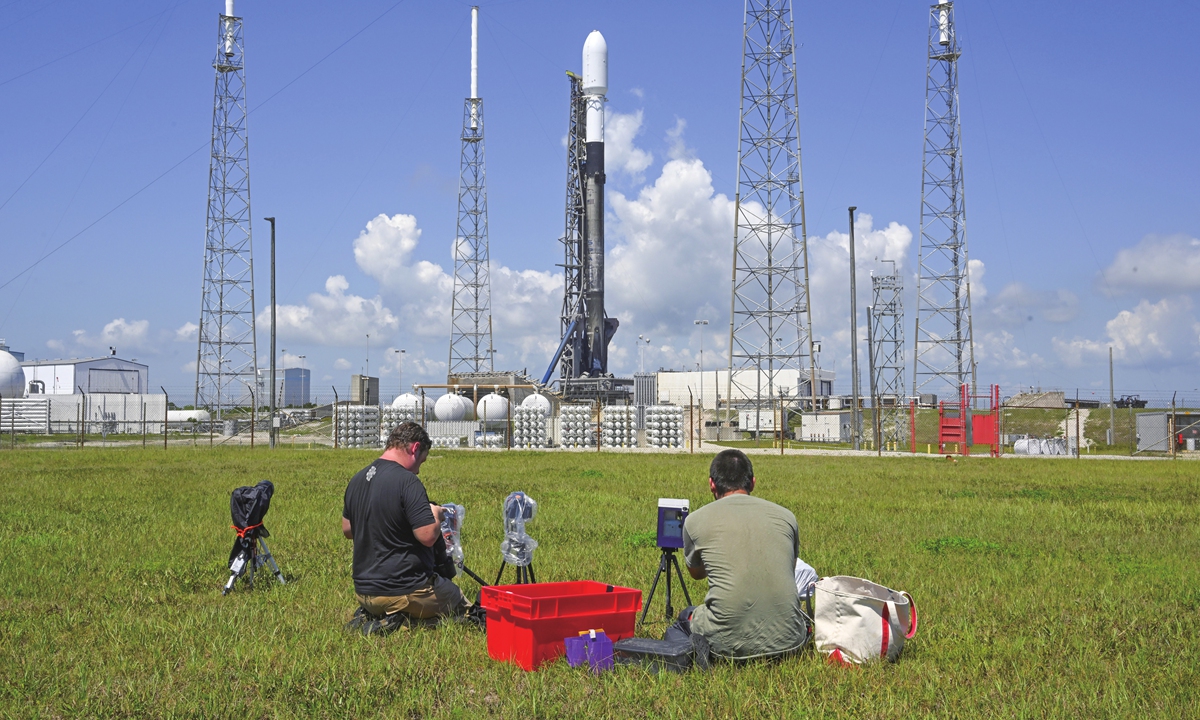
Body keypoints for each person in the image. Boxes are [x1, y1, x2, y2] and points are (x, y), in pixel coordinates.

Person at [675, 448, 808, 662]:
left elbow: (696, 573)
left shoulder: (695, 520)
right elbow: (789, 570)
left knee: (685, 617)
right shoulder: (786, 516)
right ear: (753, 482)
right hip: (791, 641)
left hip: (725, 646)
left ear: (711, 484)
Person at [342, 421, 473, 635]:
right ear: (414, 448)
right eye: (421, 461)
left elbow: (348, 529)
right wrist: (436, 515)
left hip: (364, 592)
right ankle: (406, 623)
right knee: (462, 607)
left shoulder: (358, 478)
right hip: (403, 590)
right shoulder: (407, 481)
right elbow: (427, 536)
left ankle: (376, 613)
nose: (419, 470)